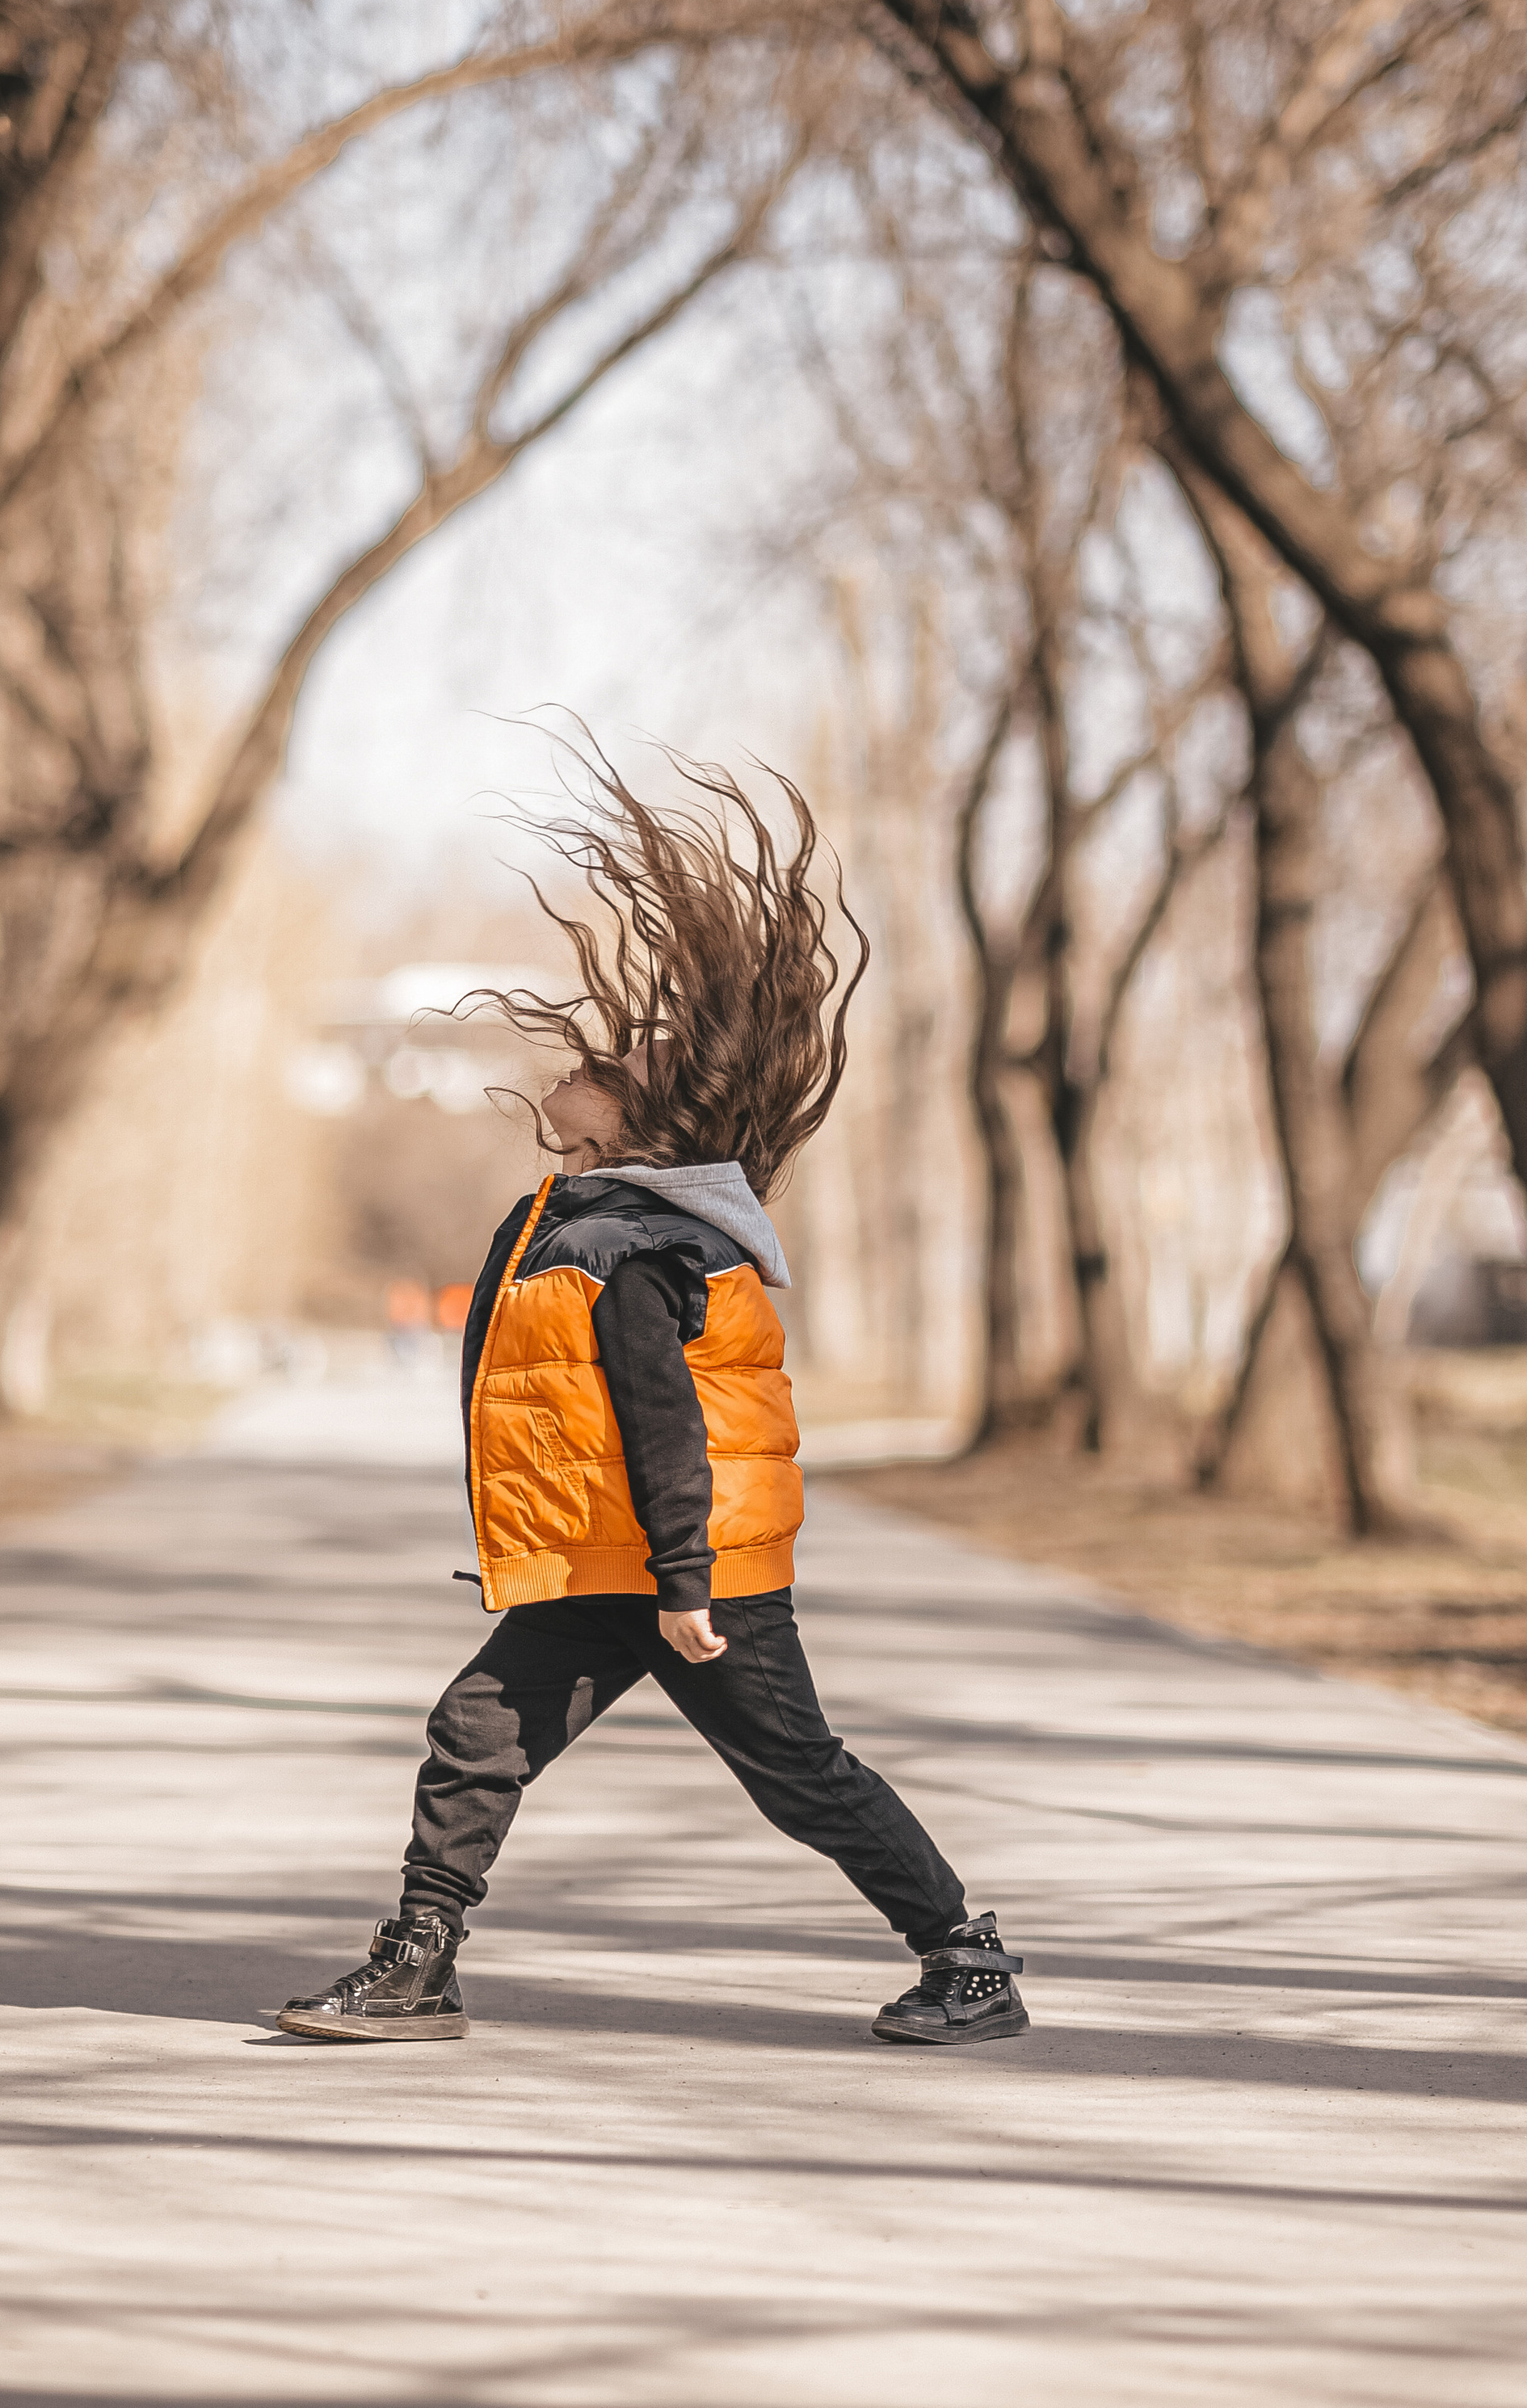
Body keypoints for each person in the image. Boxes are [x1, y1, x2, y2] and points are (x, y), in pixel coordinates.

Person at [276, 747, 1026, 2052]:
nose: (581, 1054)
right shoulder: (571, 1215)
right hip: (607, 1559)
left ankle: (969, 1960)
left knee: (798, 1772)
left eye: (606, 1059)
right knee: (477, 1730)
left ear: (635, 1123)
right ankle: (418, 1962)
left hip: (692, 1572)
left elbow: (663, 1424)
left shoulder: (637, 1243)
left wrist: (685, 1587)